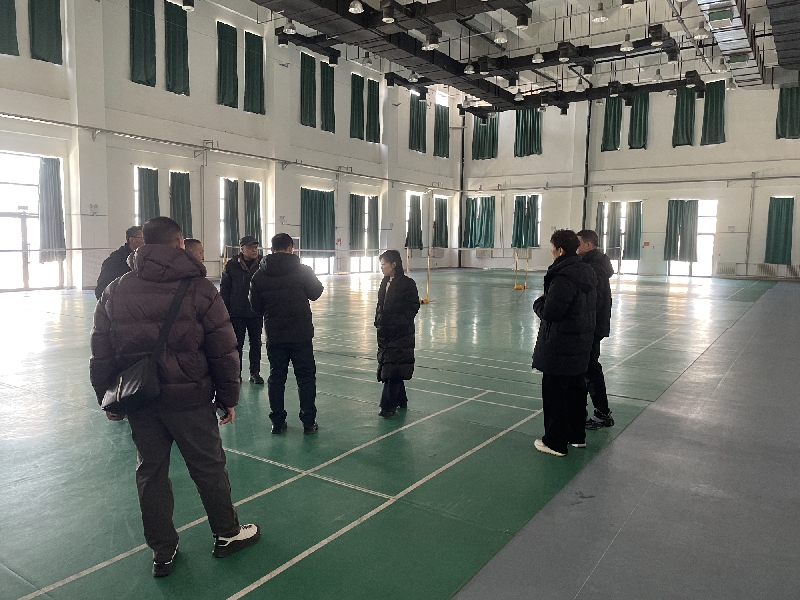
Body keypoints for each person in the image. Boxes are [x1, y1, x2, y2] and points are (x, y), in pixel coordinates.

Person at [90, 217, 260, 578]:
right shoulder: (200, 289)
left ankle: (162, 551)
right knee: (208, 468)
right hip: (191, 400)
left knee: (150, 473)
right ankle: (227, 533)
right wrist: (228, 396)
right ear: (180, 244)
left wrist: (107, 396)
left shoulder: (116, 289)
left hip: (141, 400)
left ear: (142, 245)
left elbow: (101, 349)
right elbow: (223, 348)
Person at [249, 233, 323, 434]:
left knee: (276, 377)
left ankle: (277, 422)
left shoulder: (259, 275)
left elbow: (255, 307)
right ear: (291, 248)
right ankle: (308, 422)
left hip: (275, 335)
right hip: (301, 334)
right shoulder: (303, 271)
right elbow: (316, 293)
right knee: (305, 378)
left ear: (272, 249)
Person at [532, 229, 597, 457]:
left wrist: (538, 304)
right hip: (580, 341)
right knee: (576, 391)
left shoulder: (563, 276)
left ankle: (555, 442)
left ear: (560, 250)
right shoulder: (587, 271)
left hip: (560, 345)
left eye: (552, 248)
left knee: (555, 394)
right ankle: (577, 437)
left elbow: (552, 312)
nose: (551, 252)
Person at [577, 229, 615, 430]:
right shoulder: (597, 264)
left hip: (592, 325)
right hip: (594, 324)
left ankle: (602, 412)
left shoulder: (593, 268)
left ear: (588, 245)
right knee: (588, 367)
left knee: (590, 367)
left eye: (578, 243)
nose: (575, 248)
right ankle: (590, 410)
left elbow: (594, 300)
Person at [374, 250, 420, 417]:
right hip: (385, 333)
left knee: (391, 369)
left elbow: (414, 306)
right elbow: (380, 305)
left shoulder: (408, 284)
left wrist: (400, 322)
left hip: (401, 334)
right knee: (392, 366)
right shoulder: (384, 282)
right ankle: (401, 399)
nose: (382, 268)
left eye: (384, 264)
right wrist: (378, 321)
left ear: (393, 264)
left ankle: (388, 407)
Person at [221, 236, 264, 384]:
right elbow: (225, 289)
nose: (254, 250)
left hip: (255, 313)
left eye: (255, 247)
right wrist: (225, 311)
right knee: (236, 345)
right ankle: (236, 374)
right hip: (237, 313)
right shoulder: (231, 265)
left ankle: (255, 372)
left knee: (256, 343)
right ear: (242, 249)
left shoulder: (262, 264)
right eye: (250, 247)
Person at [94, 225, 144, 299]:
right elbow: (102, 289)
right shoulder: (115, 261)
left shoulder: (148, 258)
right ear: (132, 240)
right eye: (143, 238)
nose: (148, 242)